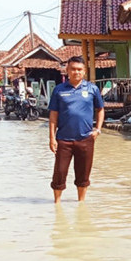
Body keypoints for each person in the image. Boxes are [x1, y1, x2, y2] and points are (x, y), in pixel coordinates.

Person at [48, 56, 104, 203]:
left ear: (84, 71)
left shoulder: (92, 89)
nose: (76, 72)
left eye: (79, 69)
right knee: (59, 173)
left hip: (86, 139)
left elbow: (100, 109)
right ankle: (57, 204)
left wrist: (98, 129)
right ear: (67, 71)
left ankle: (81, 203)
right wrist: (52, 138)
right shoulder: (59, 90)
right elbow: (53, 115)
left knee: (83, 174)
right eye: (73, 69)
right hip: (64, 140)